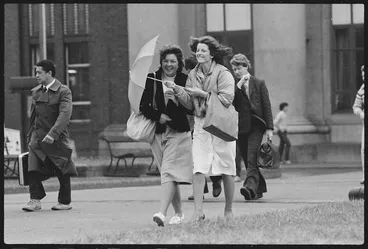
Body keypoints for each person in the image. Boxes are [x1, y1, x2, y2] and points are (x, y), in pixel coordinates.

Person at [165, 35, 236, 220]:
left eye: (203, 50)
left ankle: (228, 210)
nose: (199, 53)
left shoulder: (223, 73)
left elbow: (227, 99)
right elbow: (189, 104)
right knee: (198, 166)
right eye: (197, 50)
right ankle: (198, 211)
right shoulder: (192, 74)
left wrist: (203, 94)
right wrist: (178, 91)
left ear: (212, 54)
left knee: (227, 167)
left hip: (221, 126)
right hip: (201, 125)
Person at [140, 44, 193, 226]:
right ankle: (178, 213)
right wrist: (158, 116)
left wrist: (176, 99)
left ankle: (162, 214)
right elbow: (143, 106)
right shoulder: (152, 79)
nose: (169, 64)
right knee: (168, 174)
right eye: (165, 61)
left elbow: (191, 108)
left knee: (169, 172)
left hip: (178, 132)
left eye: (173, 61)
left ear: (179, 64)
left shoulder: (185, 80)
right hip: (158, 132)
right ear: (161, 62)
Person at [23, 59, 77, 212]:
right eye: (36, 72)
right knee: (32, 168)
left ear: (49, 73)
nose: (36, 75)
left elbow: (65, 114)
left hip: (56, 137)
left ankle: (64, 202)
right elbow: (33, 117)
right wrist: (30, 137)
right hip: (37, 138)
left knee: (62, 168)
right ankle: (35, 200)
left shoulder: (63, 91)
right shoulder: (36, 92)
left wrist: (53, 133)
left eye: (39, 72)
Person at [230, 53, 274, 201]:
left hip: (257, 125)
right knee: (246, 155)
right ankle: (259, 188)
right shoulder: (235, 85)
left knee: (251, 157)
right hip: (241, 126)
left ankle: (249, 187)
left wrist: (269, 128)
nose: (236, 72)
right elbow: (230, 102)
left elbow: (267, 106)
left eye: (239, 68)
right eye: (234, 69)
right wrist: (238, 85)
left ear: (246, 66)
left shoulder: (259, 83)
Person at [184, 55, 223, 201]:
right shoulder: (189, 80)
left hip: (211, 120)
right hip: (195, 121)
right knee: (196, 158)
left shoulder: (213, 78)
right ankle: (200, 190)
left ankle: (216, 179)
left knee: (212, 153)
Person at [352, 65, 364, 185]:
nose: (364, 77)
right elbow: (356, 106)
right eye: (363, 76)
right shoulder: (362, 90)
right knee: (364, 149)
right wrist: (360, 113)